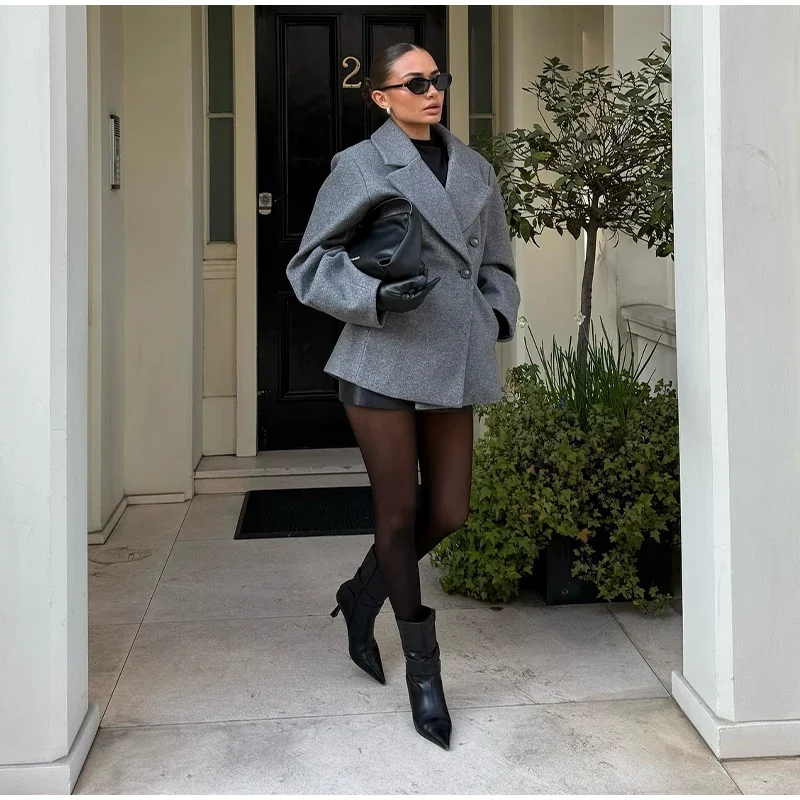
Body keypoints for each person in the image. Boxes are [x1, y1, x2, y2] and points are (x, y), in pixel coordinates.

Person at [286, 42, 520, 750]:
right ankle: (425, 674)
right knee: (399, 510)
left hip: (453, 354)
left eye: (437, 79)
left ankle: (362, 593)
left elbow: (498, 260)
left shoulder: (474, 168)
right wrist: (376, 298)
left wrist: (493, 315)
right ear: (381, 97)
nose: (432, 90)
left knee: (450, 510)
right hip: (382, 353)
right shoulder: (360, 165)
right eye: (414, 82)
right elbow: (310, 264)